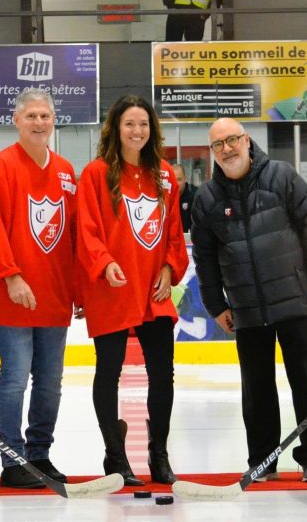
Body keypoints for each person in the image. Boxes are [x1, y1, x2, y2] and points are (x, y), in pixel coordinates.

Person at [190, 118, 307, 483]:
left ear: (247, 140)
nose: (227, 148)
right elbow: (204, 260)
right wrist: (215, 305)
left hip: (295, 298)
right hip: (246, 309)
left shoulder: (282, 176)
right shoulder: (206, 198)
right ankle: (263, 459)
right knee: (256, 388)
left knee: (305, 380)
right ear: (213, 152)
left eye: (233, 139)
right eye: (218, 144)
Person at [77, 94, 188, 486]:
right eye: (129, 124)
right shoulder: (96, 173)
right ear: (115, 128)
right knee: (108, 371)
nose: (137, 131)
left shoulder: (165, 177)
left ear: (151, 130)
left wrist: (171, 268)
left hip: (153, 291)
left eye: (143, 124)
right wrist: (104, 263)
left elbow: (174, 232)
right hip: (112, 288)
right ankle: (115, 455)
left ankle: (159, 454)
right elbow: (87, 229)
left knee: (163, 374)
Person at [0, 88, 80, 489]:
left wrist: (80, 292)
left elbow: (73, 236)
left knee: (50, 381)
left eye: (45, 116)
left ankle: (40, 454)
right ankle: (13, 460)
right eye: (31, 116)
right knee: (15, 377)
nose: (39, 122)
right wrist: (10, 275)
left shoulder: (67, 172)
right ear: (16, 120)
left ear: (54, 121)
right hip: (12, 295)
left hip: (54, 295)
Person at [171, 163, 196, 233]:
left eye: (179, 179)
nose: (176, 183)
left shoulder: (194, 196)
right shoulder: (166, 197)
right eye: (173, 179)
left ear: (185, 179)